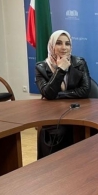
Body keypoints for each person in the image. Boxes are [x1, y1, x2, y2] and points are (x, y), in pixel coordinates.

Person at [35, 30, 91, 159]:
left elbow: (85, 90)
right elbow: (48, 93)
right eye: (59, 43)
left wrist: (58, 95)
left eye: (67, 43)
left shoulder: (79, 63)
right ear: (52, 46)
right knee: (56, 132)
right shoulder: (41, 67)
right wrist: (61, 69)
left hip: (77, 110)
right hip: (53, 113)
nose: (64, 47)